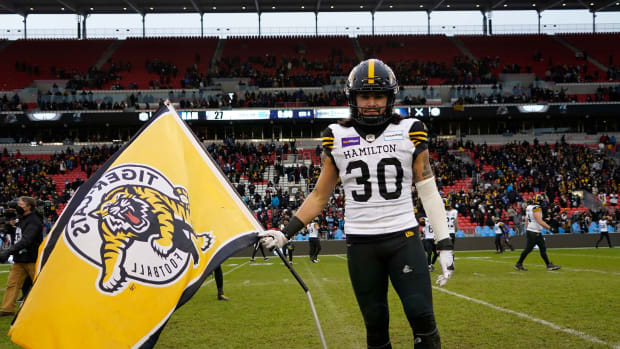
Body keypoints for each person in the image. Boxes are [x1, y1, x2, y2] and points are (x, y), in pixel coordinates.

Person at [259, 59, 454, 348]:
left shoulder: (411, 129)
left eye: (379, 96)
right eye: (365, 95)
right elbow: (319, 196)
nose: (373, 103)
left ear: (391, 97)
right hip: (361, 243)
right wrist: (285, 232)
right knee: (375, 326)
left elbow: (427, 189)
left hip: (404, 237)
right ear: (354, 98)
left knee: (421, 317)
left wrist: (444, 242)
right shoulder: (336, 136)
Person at [0, 197, 44, 316]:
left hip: (32, 258)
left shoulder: (34, 220)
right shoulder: (21, 218)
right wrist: (9, 226)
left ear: (29, 207)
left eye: (20, 203)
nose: (17, 205)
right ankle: (7, 309)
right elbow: (17, 235)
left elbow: (26, 240)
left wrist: (9, 251)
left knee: (40, 285)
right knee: (12, 284)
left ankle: (47, 307)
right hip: (20, 258)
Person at [514, 195, 561, 271]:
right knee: (528, 249)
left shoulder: (529, 207)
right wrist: (550, 228)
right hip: (534, 232)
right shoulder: (536, 208)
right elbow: (539, 220)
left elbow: (526, 219)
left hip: (533, 231)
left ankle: (549, 265)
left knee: (542, 248)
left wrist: (528, 228)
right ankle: (519, 264)